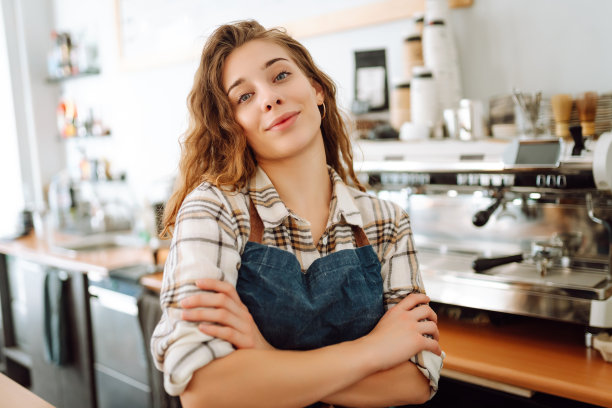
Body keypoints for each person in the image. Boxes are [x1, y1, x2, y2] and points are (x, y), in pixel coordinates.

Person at [151, 19, 444, 408]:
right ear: (232, 126)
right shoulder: (214, 210)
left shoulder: (386, 222)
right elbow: (204, 390)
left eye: (281, 75)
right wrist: (375, 350)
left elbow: (416, 379)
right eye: (244, 97)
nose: (268, 98)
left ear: (316, 88)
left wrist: (264, 357)